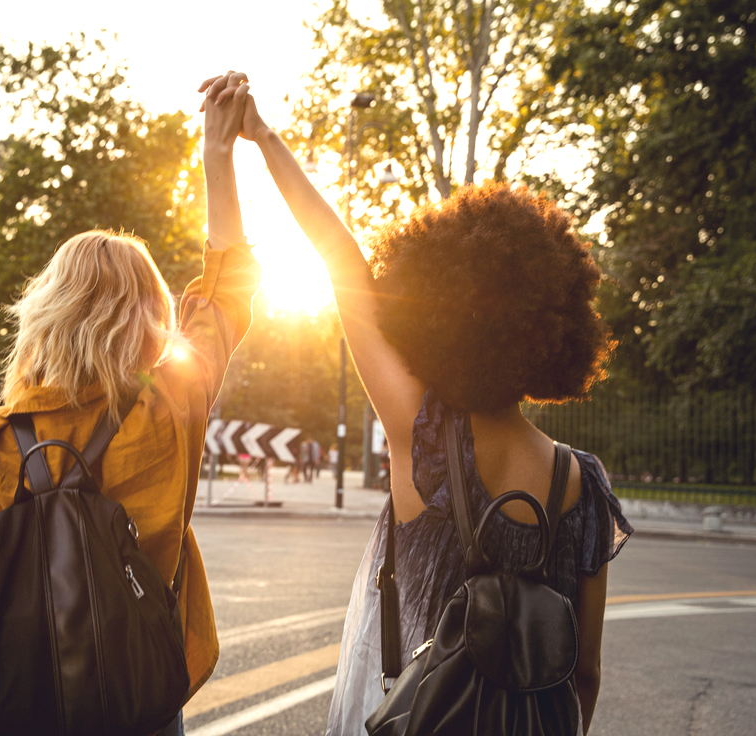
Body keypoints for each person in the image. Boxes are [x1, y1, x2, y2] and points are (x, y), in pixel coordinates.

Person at [228, 78, 633, 734]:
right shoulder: (585, 485)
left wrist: (265, 138)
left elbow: (341, 265)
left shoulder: (421, 436)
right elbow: (584, 669)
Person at [0, 72, 259, 736]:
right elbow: (231, 278)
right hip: (137, 701)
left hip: (19, 706)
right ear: (148, 318)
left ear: (47, 314)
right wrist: (218, 151)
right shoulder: (170, 405)